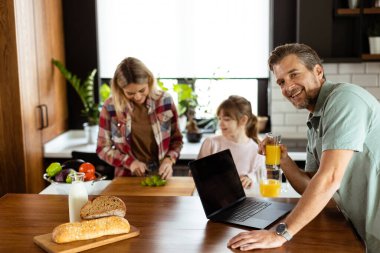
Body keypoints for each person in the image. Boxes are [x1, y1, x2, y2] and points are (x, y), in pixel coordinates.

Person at [228, 43, 380, 252]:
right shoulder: (316, 120)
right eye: (281, 81)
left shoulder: (345, 100)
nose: (287, 86)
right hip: (364, 231)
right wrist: (284, 160)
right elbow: (311, 186)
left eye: (294, 75)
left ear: (318, 71)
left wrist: (279, 234)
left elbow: (329, 177)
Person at [96, 57, 183, 179]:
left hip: (161, 177)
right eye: (130, 93)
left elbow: (177, 140)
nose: (137, 97)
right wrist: (130, 162)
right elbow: (102, 148)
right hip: (126, 178)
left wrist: (169, 160)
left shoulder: (164, 101)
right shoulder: (110, 107)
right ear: (120, 89)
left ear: (150, 81)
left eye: (142, 90)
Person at [198, 95, 265, 188]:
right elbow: (195, 175)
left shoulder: (256, 149)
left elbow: (259, 178)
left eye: (226, 119)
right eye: (219, 118)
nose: (220, 124)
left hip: (246, 199)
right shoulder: (211, 143)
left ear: (243, 120)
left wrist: (249, 178)